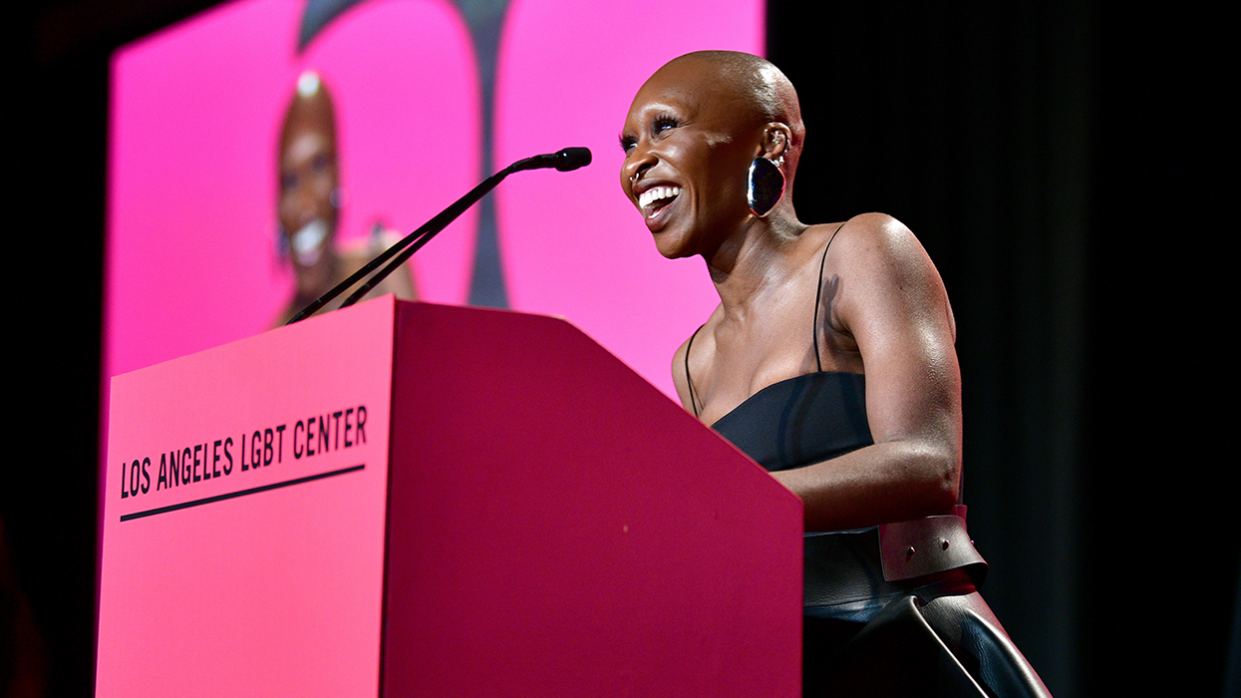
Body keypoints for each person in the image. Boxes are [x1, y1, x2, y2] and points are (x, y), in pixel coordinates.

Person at [620, 51, 1051, 697]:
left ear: (767, 141)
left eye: (664, 127)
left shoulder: (864, 248)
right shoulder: (692, 359)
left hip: (902, 642)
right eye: (627, 144)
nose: (634, 164)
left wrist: (720, 505)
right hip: (782, 657)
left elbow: (926, 464)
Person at [274, 71, 415, 327]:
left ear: (339, 174)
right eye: (290, 182)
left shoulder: (383, 268)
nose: (306, 206)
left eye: (318, 167)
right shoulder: (275, 335)